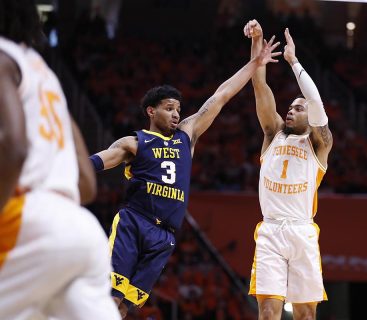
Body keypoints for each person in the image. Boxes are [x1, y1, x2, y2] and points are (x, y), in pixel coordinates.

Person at [89, 37, 281, 317]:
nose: (176, 114)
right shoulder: (134, 143)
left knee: (126, 305)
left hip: (164, 235)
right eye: (169, 108)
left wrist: (255, 63)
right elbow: (99, 160)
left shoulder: (186, 136)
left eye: (178, 109)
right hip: (134, 222)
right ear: (151, 111)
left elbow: (221, 95)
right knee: (110, 295)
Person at [0, 0, 121, 319]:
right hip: (81, 229)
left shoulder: (3, 58)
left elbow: (14, 148)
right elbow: (86, 182)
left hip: (26, 220)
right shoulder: (47, 78)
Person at [244, 20, 333, 320]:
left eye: (299, 107)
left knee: (306, 315)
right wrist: (256, 42)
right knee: (268, 313)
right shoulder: (273, 133)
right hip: (270, 229)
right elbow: (260, 86)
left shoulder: (319, 143)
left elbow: (317, 103)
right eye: (291, 107)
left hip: (302, 230)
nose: (291, 110)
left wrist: (293, 62)